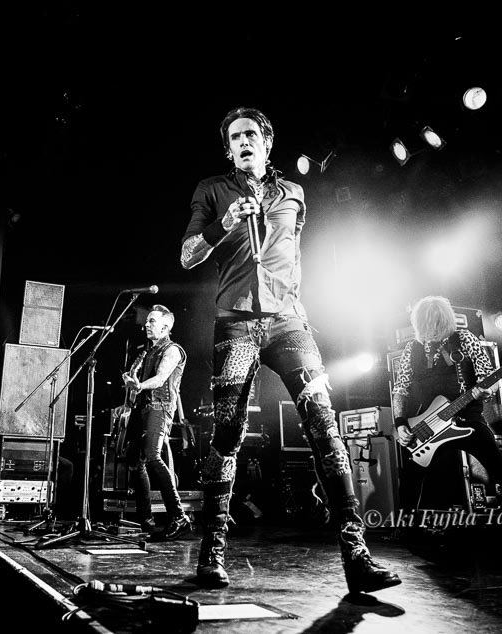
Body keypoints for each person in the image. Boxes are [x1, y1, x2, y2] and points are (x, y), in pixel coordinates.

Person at [180, 106, 400, 592]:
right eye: (235, 136)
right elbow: (188, 253)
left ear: (266, 142)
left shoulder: (294, 194)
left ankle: (357, 556)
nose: (243, 141)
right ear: (228, 148)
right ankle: (211, 552)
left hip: (289, 323)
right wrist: (226, 223)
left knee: (324, 424)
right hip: (235, 324)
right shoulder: (212, 190)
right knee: (228, 434)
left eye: (251, 134)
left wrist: (293, 301)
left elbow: (292, 255)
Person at [392, 295, 502, 509]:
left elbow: (488, 377)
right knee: (410, 478)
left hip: (468, 419)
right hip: (428, 425)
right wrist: (400, 423)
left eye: (436, 322)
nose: (433, 327)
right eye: (427, 323)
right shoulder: (412, 349)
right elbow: (401, 389)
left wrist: (485, 391)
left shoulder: (465, 338)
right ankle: (406, 528)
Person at [121, 305, 191, 540]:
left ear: (166, 326)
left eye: (152, 321)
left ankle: (179, 516)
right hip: (143, 409)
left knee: (153, 456)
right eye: (148, 321)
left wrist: (139, 385)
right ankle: (145, 518)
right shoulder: (146, 352)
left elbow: (161, 379)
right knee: (135, 461)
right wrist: (131, 388)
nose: (147, 325)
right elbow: (135, 382)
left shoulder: (172, 350)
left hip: (160, 408)